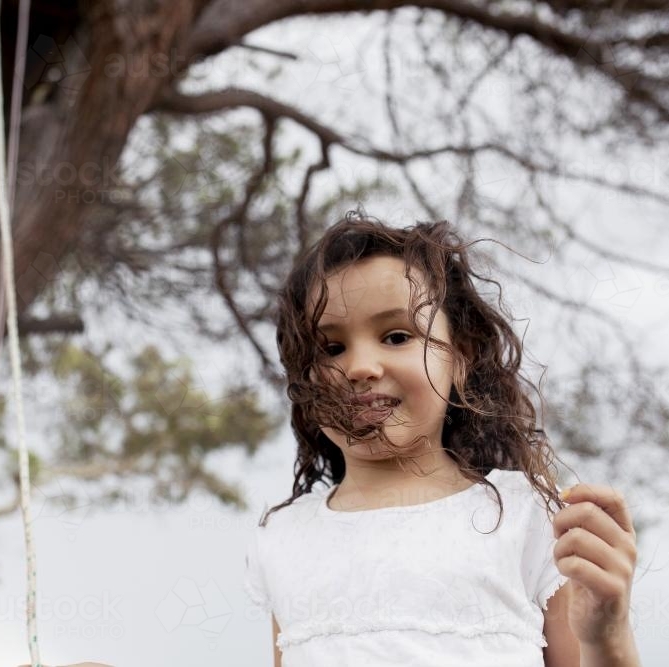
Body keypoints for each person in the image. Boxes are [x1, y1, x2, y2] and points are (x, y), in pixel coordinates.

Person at [244, 211, 642, 667]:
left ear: (461, 357)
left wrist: (606, 637)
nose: (360, 367)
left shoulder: (528, 518)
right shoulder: (285, 538)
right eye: (331, 348)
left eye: (396, 336)